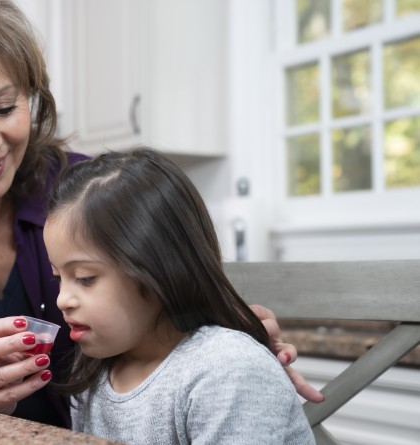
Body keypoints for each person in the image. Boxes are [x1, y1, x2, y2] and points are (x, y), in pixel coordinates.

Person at [0, 0, 322, 430]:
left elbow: (175, 311)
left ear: (29, 96)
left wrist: (236, 340)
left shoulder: (87, 196)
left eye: (3, 107)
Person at [43, 148, 315, 444]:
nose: (62, 300)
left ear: (158, 267)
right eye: (59, 278)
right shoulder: (91, 372)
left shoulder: (228, 371)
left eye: (85, 278)